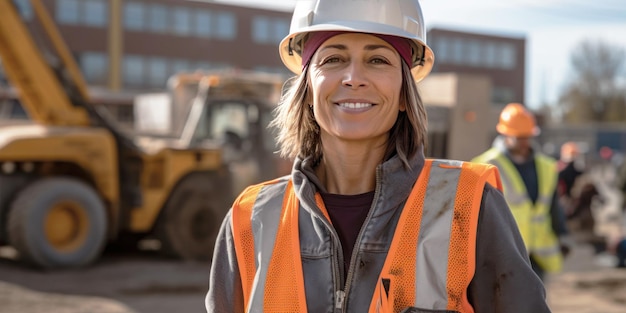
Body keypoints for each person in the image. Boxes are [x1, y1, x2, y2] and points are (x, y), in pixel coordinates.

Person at [206, 0, 551, 312]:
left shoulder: (470, 207)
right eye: (333, 59)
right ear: (307, 88)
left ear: (404, 94)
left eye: (377, 60)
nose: (354, 78)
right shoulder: (250, 220)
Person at [472, 102, 571, 281]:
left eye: (527, 136)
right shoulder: (484, 166)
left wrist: (562, 234)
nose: (524, 142)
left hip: (538, 254)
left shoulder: (546, 166)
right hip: (502, 253)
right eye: (519, 137)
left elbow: (553, 205)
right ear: (505, 134)